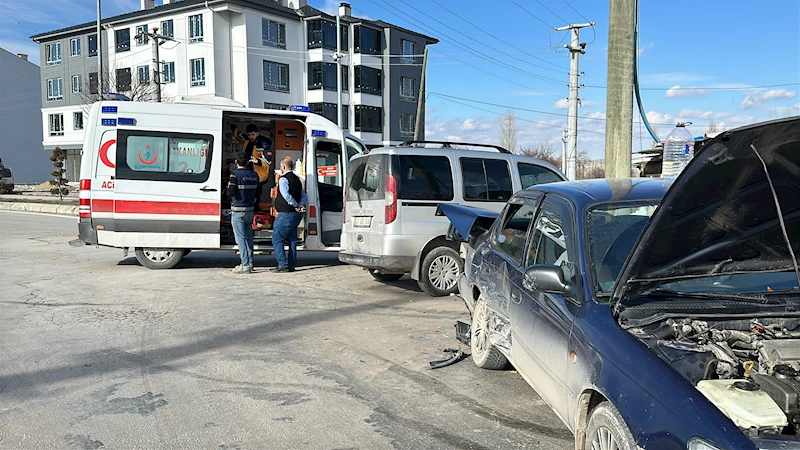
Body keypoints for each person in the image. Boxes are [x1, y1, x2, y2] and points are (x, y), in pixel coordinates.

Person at [271, 158, 307, 273]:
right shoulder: (297, 179)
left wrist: (295, 205)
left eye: (281, 167)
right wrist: (301, 205)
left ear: (284, 167)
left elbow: (286, 195)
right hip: (296, 214)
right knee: (292, 240)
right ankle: (291, 265)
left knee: (277, 238)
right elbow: (303, 195)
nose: (280, 169)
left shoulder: (283, 179)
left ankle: (282, 264)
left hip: (286, 213)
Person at [228, 152, 259, 274]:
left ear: (236, 162)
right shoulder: (254, 175)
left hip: (238, 210)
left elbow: (230, 192)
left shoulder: (234, 175)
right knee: (248, 238)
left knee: (240, 239)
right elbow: (258, 192)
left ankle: (245, 264)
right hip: (250, 210)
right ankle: (250, 263)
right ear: (248, 163)